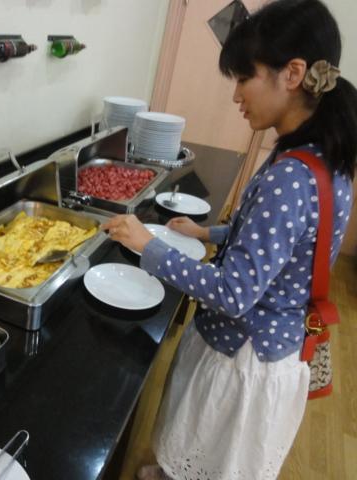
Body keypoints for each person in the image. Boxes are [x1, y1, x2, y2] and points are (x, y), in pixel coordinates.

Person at [100, 1, 357, 478]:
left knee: (210, 453)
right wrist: (207, 232)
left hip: (244, 351)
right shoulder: (320, 158)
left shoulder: (289, 178)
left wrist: (147, 245)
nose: (236, 95)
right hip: (275, 345)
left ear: (293, 73)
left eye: (244, 78)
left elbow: (233, 293)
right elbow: (279, 241)